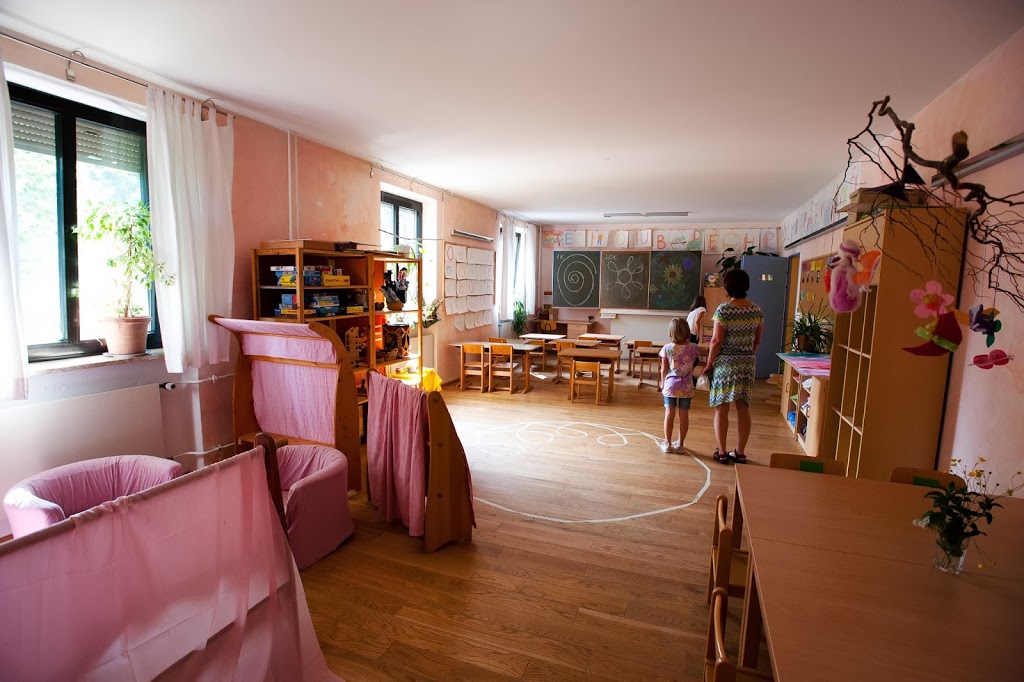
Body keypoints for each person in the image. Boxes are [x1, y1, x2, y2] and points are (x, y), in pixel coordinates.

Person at [701, 269, 763, 465]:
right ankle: (740, 452)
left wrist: (709, 363)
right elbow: (757, 341)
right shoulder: (756, 310)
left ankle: (721, 452)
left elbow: (716, 340)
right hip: (747, 363)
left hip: (726, 363)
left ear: (727, 287)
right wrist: (747, 354)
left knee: (722, 408)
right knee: (743, 407)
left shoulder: (724, 310)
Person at [659, 317, 701, 454]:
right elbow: (694, 363)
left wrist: (662, 383)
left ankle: (667, 443)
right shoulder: (694, 348)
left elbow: (664, 369)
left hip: (670, 385)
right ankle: (680, 444)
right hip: (686, 385)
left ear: (671, 332)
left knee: (669, 414)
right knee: (684, 415)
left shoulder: (667, 348)